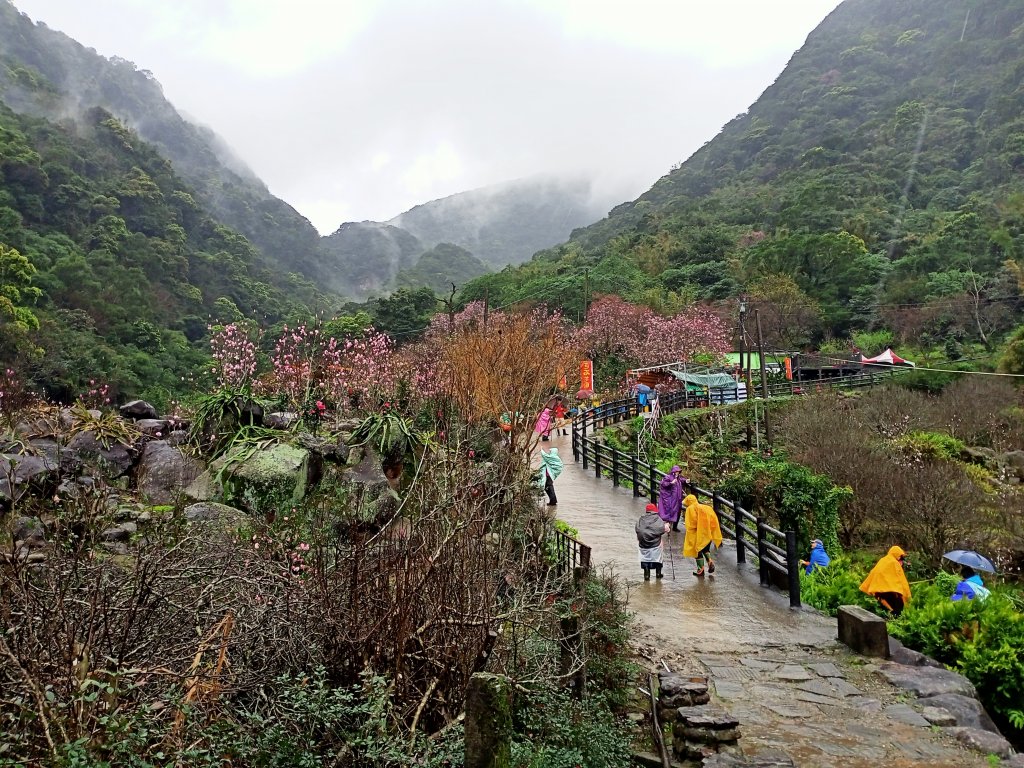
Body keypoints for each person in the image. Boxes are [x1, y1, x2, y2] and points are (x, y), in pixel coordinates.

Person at [859, 546, 911, 617]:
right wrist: (908, 598)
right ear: (898, 557)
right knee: (898, 610)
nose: (901, 562)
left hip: (878, 592)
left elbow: (873, 573)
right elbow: (902, 582)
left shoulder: (883, 560)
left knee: (886, 611)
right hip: (890, 593)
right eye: (901, 559)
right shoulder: (894, 563)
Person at [682, 494, 722, 577]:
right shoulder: (706, 508)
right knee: (706, 549)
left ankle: (700, 570)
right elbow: (713, 520)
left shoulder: (690, 509)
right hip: (707, 534)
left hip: (697, 534)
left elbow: (691, 524)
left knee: (697, 551)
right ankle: (710, 561)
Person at [636, 503, 666, 581]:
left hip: (643, 544)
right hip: (655, 544)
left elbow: (637, 529)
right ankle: (658, 574)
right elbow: (662, 529)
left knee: (645, 559)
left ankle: (646, 575)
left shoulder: (641, 519)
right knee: (658, 558)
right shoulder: (658, 518)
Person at [658, 466, 685, 532]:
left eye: (678, 471)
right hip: (672, 499)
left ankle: (675, 527)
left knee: (678, 512)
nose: (677, 473)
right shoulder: (668, 477)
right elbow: (663, 484)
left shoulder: (678, 478)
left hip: (678, 499)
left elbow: (682, 480)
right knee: (670, 513)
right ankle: (668, 527)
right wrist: (671, 483)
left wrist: (686, 481)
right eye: (676, 471)